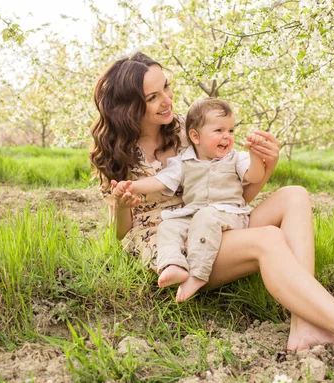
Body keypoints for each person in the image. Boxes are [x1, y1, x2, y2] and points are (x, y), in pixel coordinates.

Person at [89, 52, 334, 380]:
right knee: (268, 239)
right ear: (129, 106)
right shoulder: (116, 154)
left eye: (166, 87)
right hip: (174, 247)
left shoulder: (190, 129)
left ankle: (304, 324)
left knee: (294, 195)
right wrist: (121, 205)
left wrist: (268, 162)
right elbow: (122, 234)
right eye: (153, 97)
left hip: (218, 220)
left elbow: (237, 195)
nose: (167, 100)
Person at [111, 98, 266, 302]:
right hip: (195, 216)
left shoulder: (236, 158)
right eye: (219, 131)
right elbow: (160, 180)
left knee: (206, 216)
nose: (227, 137)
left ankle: (197, 275)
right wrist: (131, 187)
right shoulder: (183, 162)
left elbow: (253, 177)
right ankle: (173, 264)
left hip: (230, 216)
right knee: (169, 226)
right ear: (195, 136)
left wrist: (255, 157)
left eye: (231, 131)